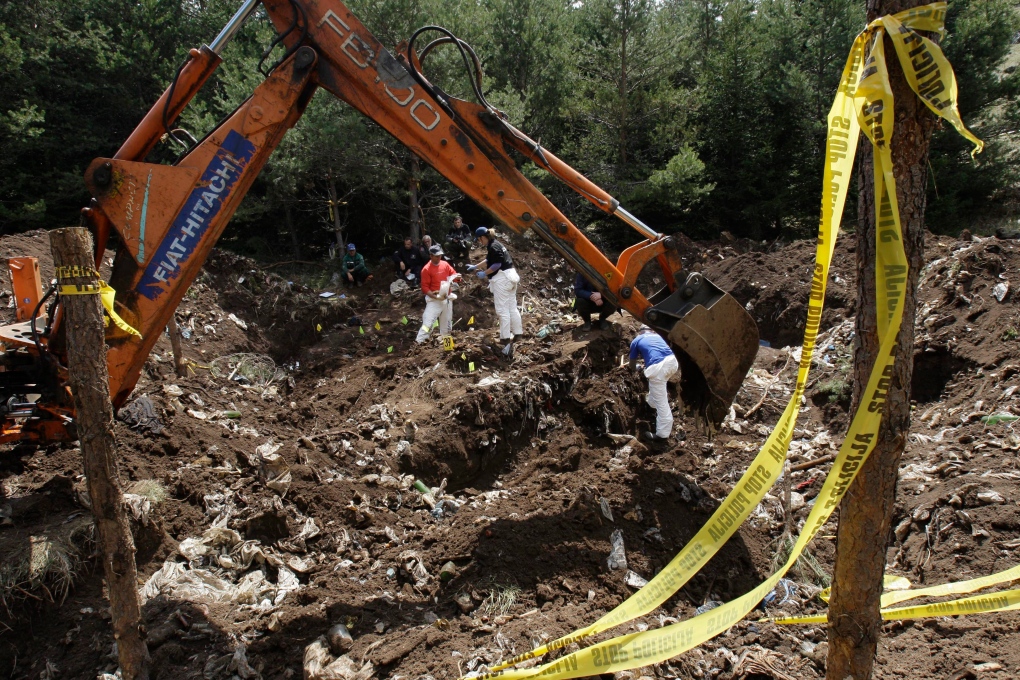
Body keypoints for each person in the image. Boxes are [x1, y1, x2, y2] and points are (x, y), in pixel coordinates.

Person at [468, 227, 523, 344]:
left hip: (502, 279)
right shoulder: (496, 244)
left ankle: (505, 338)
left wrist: (485, 273)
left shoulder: (493, 247)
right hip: (511, 276)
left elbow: (497, 264)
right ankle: (518, 334)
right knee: (512, 307)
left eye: (479, 240)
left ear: (483, 237)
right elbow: (489, 260)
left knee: (502, 310)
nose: (479, 242)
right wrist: (476, 266)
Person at [629, 326, 679, 446]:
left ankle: (662, 435)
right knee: (657, 389)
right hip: (673, 363)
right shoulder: (658, 336)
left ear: (640, 332)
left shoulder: (636, 340)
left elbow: (632, 365)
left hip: (659, 368)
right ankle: (651, 405)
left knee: (661, 402)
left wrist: (637, 368)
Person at [416, 245, 461, 343]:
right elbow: (424, 287)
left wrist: (457, 277)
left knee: (447, 326)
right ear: (431, 256)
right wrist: (435, 296)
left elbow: (454, 275)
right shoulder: (426, 269)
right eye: (436, 256)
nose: (439, 257)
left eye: (440, 255)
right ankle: (418, 344)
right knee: (427, 324)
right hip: (434, 300)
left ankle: (446, 347)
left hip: (447, 298)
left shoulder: (445, 264)